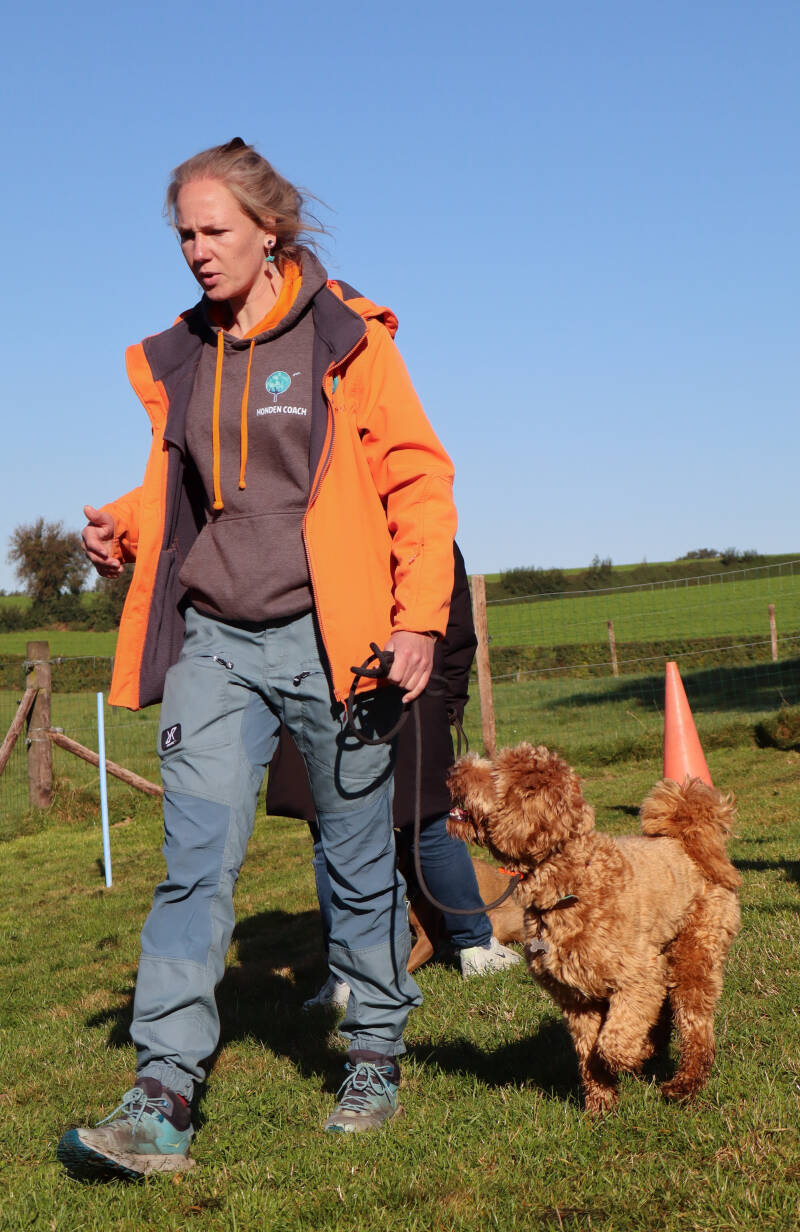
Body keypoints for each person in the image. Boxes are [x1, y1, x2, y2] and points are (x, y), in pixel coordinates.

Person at [57, 138, 457, 1179]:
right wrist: (127, 524)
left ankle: (373, 1053)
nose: (196, 250)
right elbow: (198, 484)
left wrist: (417, 618)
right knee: (193, 864)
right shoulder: (185, 354)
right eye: (183, 234)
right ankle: (161, 1095)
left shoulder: (343, 336)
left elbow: (417, 478)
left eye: (214, 230)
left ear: (266, 229)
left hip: (336, 640)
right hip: (216, 640)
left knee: (357, 859)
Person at [266, 544, 520, 1007]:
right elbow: (455, 625)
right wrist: (449, 699)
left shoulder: (300, 527)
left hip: (317, 687)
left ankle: (348, 975)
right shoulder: (419, 530)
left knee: (337, 839)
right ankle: (476, 946)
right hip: (407, 689)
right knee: (432, 825)